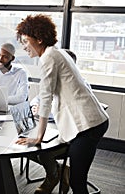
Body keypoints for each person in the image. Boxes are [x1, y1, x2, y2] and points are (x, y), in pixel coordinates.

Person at [15, 14, 109, 194]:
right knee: (75, 178)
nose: (24, 46)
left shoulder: (49, 57)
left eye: (26, 41)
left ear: (40, 39)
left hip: (88, 126)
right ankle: (59, 172)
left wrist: (38, 137)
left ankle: (58, 173)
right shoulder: (58, 53)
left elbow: (46, 98)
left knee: (77, 182)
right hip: (91, 122)